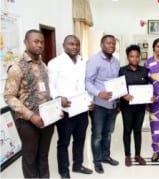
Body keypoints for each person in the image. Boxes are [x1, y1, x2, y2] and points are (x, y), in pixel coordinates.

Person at [4, 29, 54, 178]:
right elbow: (9, 96)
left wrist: (54, 108)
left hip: (46, 118)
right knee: (30, 158)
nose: (39, 45)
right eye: (35, 41)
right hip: (27, 121)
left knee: (43, 155)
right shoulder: (17, 67)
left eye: (42, 42)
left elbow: (45, 91)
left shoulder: (43, 65)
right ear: (26, 42)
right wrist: (31, 116)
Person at [48, 35, 93, 178]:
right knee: (63, 142)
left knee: (80, 139)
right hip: (65, 110)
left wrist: (90, 100)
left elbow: (86, 84)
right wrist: (58, 98)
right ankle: (63, 170)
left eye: (77, 44)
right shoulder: (55, 63)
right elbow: (50, 85)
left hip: (81, 109)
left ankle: (77, 165)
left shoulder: (83, 62)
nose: (74, 47)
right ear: (64, 45)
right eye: (71, 44)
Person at [85, 35, 120, 174]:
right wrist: (99, 93)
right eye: (108, 43)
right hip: (99, 105)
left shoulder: (116, 61)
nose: (111, 45)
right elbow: (87, 82)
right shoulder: (94, 61)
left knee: (108, 133)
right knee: (97, 135)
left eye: (113, 43)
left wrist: (118, 103)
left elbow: (117, 82)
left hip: (112, 105)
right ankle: (97, 162)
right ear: (101, 44)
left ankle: (106, 156)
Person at [119, 45, 149, 167]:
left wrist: (149, 98)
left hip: (140, 107)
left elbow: (149, 87)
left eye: (137, 56)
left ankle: (137, 154)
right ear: (127, 57)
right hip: (126, 107)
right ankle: (127, 155)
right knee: (127, 130)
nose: (135, 59)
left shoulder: (144, 70)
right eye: (132, 56)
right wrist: (123, 94)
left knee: (137, 130)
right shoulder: (122, 70)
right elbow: (118, 87)